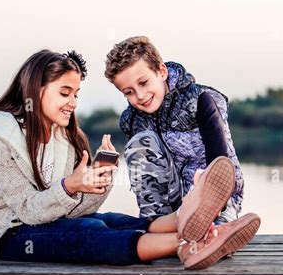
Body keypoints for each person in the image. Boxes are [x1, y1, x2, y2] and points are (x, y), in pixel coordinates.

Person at [0, 48, 260, 269]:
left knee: (109, 220)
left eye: (76, 94)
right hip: (7, 233)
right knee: (87, 234)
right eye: (65, 93)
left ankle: (184, 218)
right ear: (35, 91)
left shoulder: (65, 138)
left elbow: (78, 210)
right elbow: (28, 211)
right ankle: (186, 242)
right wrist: (70, 186)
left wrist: (99, 180)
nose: (73, 103)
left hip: (48, 220)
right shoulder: (0, 139)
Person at [104, 35, 244, 226]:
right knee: (140, 142)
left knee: (213, 229)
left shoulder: (199, 100)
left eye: (143, 83)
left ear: (162, 71)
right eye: (128, 92)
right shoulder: (133, 120)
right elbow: (145, 171)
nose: (140, 95)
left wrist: (208, 198)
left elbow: (220, 159)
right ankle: (156, 222)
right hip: (174, 202)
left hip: (214, 196)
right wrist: (105, 164)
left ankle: (214, 231)